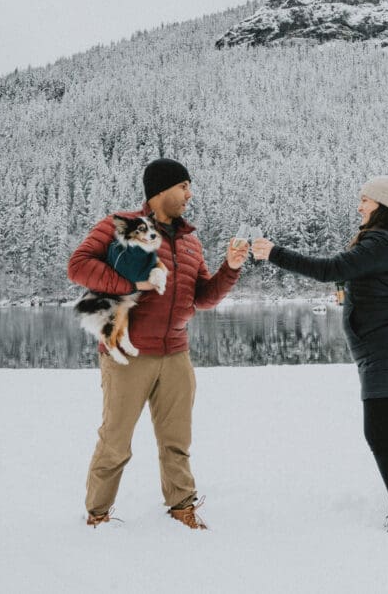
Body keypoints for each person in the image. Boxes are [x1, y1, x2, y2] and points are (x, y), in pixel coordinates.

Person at [251, 171, 388, 533]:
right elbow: (360, 278)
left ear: (382, 206)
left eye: (365, 201)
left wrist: (275, 253)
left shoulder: (381, 241)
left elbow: (331, 268)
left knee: (381, 435)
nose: (360, 207)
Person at [68, 158, 249, 529]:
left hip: (176, 353)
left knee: (177, 440)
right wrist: (132, 285)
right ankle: (97, 515)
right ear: (160, 191)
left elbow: (203, 298)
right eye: (183, 186)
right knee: (115, 441)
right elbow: (78, 265)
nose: (189, 194)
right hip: (127, 357)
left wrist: (229, 268)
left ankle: (182, 506)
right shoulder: (119, 225)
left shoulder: (190, 241)